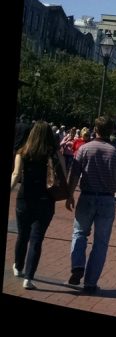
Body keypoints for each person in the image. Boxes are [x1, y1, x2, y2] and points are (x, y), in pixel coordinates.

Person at [65, 116, 116, 293]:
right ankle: (90, 282)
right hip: (107, 200)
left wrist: (70, 194)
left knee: (79, 233)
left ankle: (78, 264)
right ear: (111, 132)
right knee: (101, 243)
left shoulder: (84, 149)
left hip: (86, 196)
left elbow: (74, 174)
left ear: (95, 129)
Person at [11, 121, 66, 290]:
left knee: (22, 235)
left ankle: (18, 266)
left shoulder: (23, 153)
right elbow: (63, 174)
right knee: (37, 239)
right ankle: (29, 277)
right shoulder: (55, 154)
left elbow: (15, 174)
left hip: (25, 198)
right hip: (45, 200)